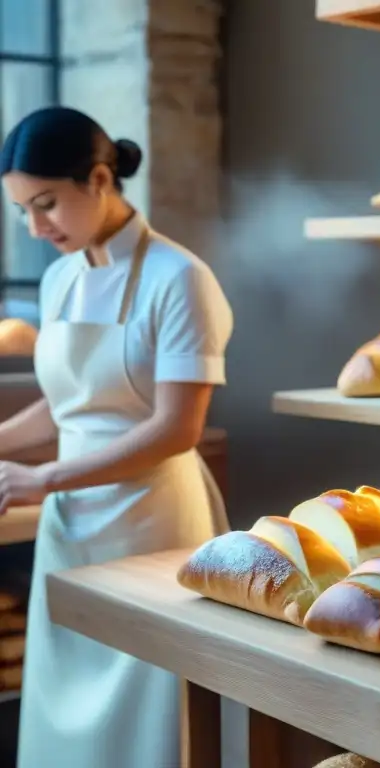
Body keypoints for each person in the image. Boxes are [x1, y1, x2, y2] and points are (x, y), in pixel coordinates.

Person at [0, 106, 233, 768]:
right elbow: (66, 402)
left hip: (152, 524)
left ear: (100, 179)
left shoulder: (180, 279)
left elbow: (175, 429)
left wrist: (42, 479)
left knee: (145, 717)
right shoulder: (59, 278)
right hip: (71, 523)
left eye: (46, 204)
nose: (35, 227)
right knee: (61, 708)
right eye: (22, 210)